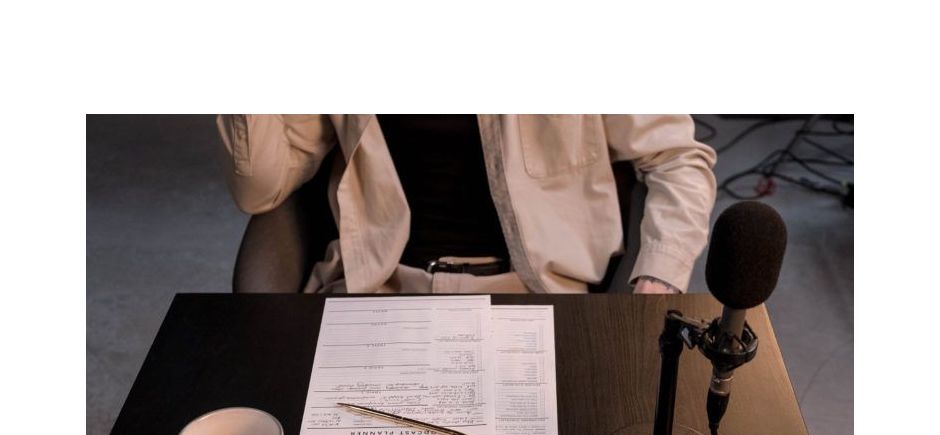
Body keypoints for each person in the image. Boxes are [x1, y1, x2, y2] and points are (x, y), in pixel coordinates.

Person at [216, 114, 716, 295]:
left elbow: (675, 158)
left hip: (535, 293)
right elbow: (260, 189)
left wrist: (656, 281)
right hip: (380, 286)